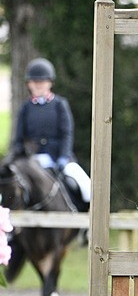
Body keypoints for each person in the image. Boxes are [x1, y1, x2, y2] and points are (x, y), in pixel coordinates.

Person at [9, 58, 91, 211]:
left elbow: (67, 133)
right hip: (33, 159)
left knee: (87, 186)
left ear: (50, 83)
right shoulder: (25, 108)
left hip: (59, 158)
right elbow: (19, 138)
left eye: (42, 81)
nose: (38, 84)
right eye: (34, 81)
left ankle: (86, 219)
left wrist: (63, 157)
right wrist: (18, 156)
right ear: (29, 84)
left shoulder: (60, 105)